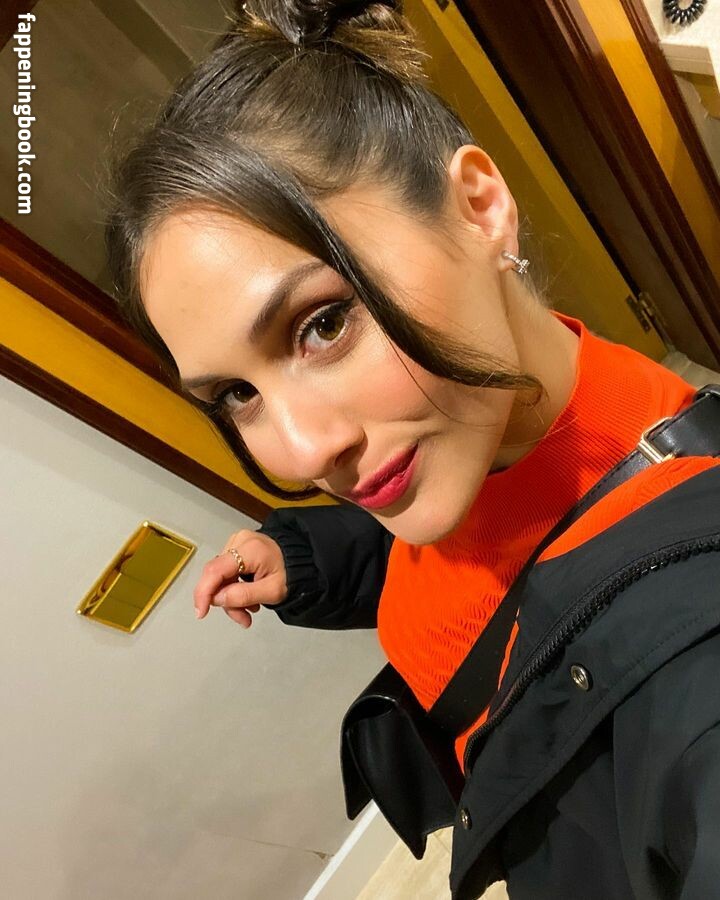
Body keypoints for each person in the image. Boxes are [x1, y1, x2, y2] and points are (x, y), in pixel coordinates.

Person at [103, 2, 720, 897]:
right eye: (237, 393)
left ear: (479, 207)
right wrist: (308, 560)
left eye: (323, 323)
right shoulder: (469, 440)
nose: (301, 453)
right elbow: (490, 555)